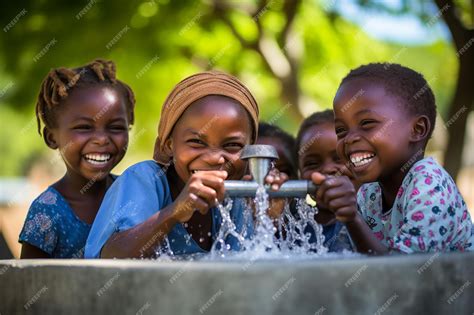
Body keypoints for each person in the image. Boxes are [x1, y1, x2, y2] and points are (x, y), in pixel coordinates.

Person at [85, 71, 287, 258]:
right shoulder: (146, 179)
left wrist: (266, 219)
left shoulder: (237, 200)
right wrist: (175, 212)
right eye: (197, 142)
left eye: (232, 145)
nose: (215, 158)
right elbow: (111, 258)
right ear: (168, 145)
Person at [312, 63, 473, 254]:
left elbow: (404, 272)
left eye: (367, 123)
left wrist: (353, 217)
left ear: (417, 129)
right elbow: (353, 259)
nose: (349, 138)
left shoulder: (429, 184)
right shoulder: (368, 194)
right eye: (341, 130)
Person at [19, 59, 136, 258]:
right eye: (84, 127)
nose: (101, 139)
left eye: (115, 127)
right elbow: (29, 283)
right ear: (51, 137)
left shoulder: (133, 194)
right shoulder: (47, 213)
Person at [296, 110, 354, 252]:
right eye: (311, 164)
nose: (327, 169)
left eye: (339, 158)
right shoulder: (296, 228)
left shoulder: (374, 217)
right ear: (299, 174)